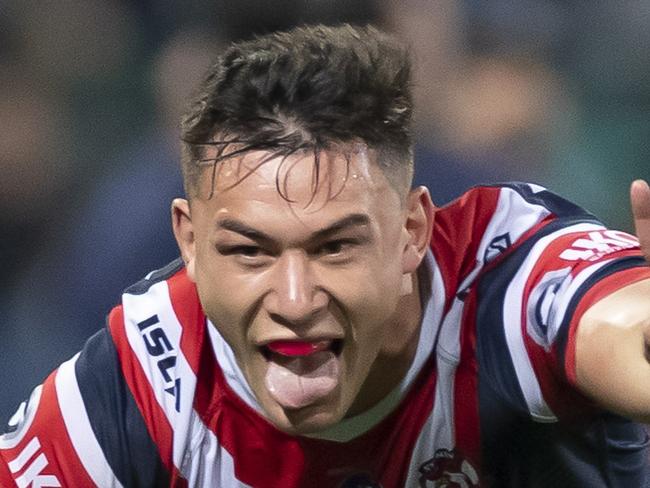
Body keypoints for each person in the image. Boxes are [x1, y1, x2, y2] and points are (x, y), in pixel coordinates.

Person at [1, 24, 650, 488]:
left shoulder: (507, 278)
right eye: (249, 252)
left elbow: (615, 325)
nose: (294, 301)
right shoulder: (146, 374)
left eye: (336, 246)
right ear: (190, 242)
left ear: (411, 231)